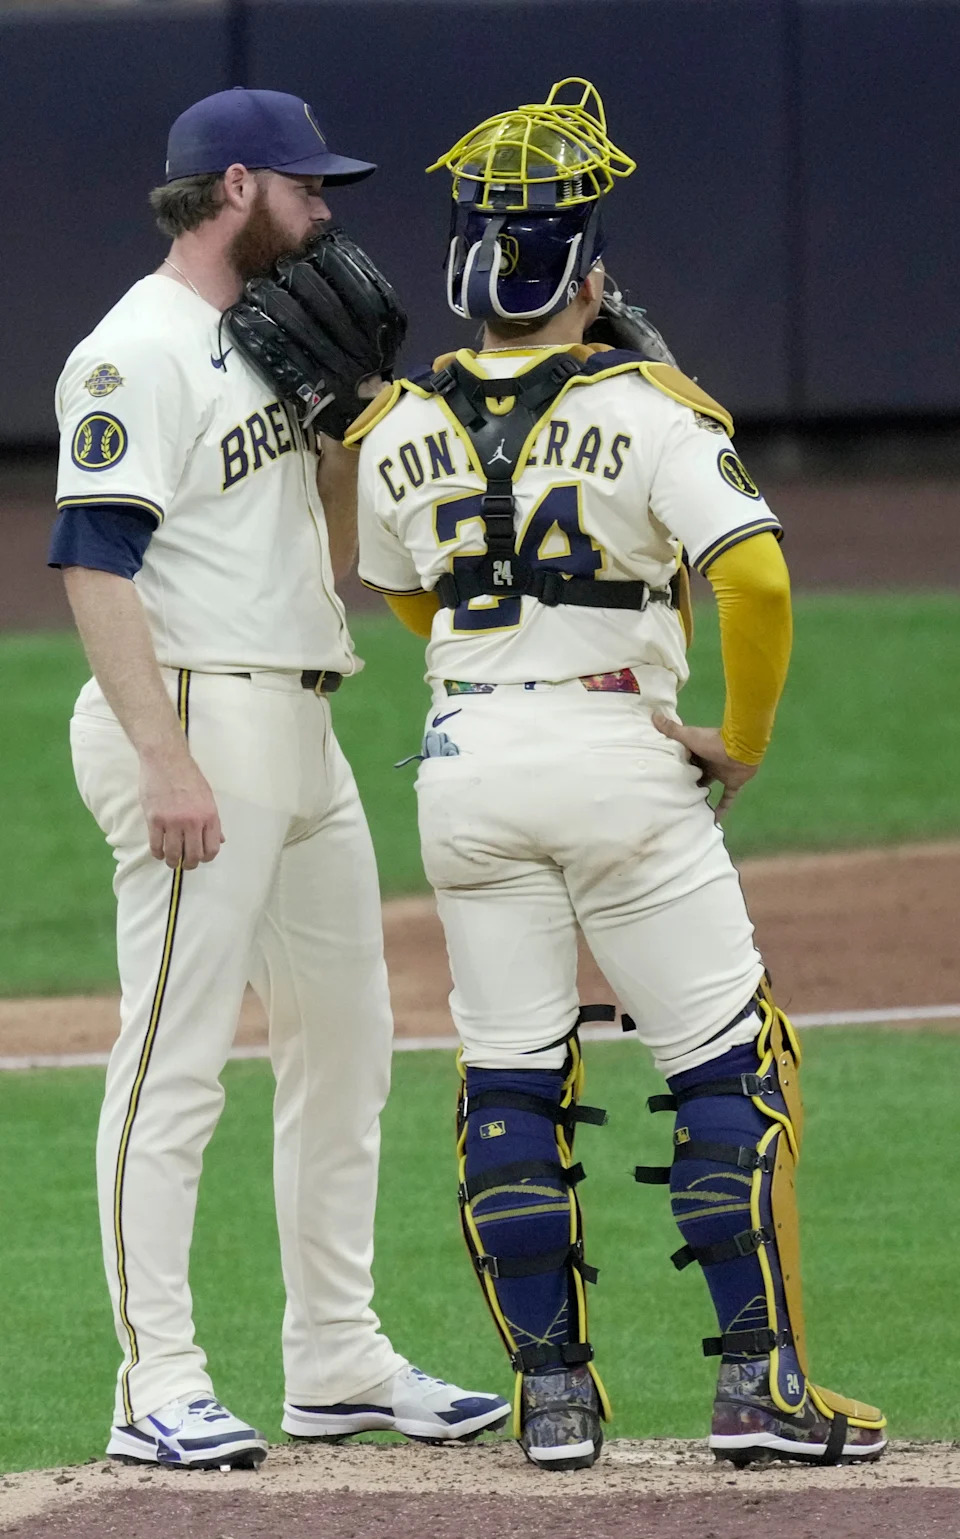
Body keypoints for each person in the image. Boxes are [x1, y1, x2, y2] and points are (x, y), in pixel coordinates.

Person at [349, 78, 886, 1472]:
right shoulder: (648, 404)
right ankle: (757, 1389)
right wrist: (743, 738)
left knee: (511, 1082)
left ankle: (553, 1400)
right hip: (616, 757)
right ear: (587, 273)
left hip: (464, 762)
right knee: (729, 1064)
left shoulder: (394, 427)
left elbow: (416, 602)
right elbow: (754, 574)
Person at [50, 86, 508, 1470]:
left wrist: (336, 430)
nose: (329, 216)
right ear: (238, 187)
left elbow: (322, 545)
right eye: (311, 191)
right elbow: (90, 557)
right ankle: (159, 1382)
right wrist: (161, 753)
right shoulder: (134, 353)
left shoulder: (260, 342)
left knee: (348, 1043)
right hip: (196, 712)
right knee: (174, 1059)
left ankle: (336, 1360)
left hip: (298, 719)